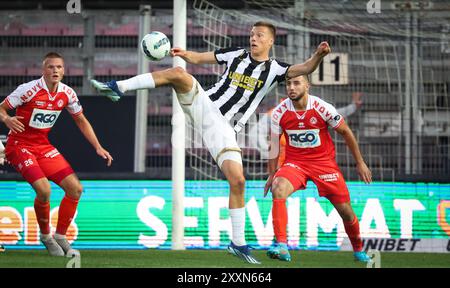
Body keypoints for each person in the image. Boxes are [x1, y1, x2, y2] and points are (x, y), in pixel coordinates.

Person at [91, 21, 330, 264]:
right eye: (251, 34)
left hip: (224, 129)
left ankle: (238, 243)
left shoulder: (276, 69)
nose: (253, 38)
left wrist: (318, 55)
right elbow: (201, 58)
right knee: (178, 73)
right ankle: (117, 87)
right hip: (205, 106)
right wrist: (185, 54)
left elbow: (306, 67)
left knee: (238, 180)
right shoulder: (236, 54)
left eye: (259, 35)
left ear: (270, 41)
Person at [0, 52, 113, 257]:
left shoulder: (67, 93)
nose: (55, 71)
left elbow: (80, 120)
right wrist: (6, 120)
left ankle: (60, 236)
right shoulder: (28, 90)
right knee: (44, 190)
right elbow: (1, 108)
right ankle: (46, 237)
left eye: (59, 67)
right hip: (19, 145)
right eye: (51, 67)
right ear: (43, 70)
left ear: (64, 70)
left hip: (43, 146)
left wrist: (98, 146)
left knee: (75, 189)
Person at [264, 75, 372, 263]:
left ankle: (358, 249)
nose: (291, 87)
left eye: (296, 83)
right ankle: (281, 245)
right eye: (288, 83)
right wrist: (272, 174)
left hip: (324, 164)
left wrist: (360, 162)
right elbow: (273, 143)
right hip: (295, 163)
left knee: (346, 211)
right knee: (278, 187)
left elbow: (346, 132)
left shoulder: (322, 108)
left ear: (307, 85)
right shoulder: (279, 112)